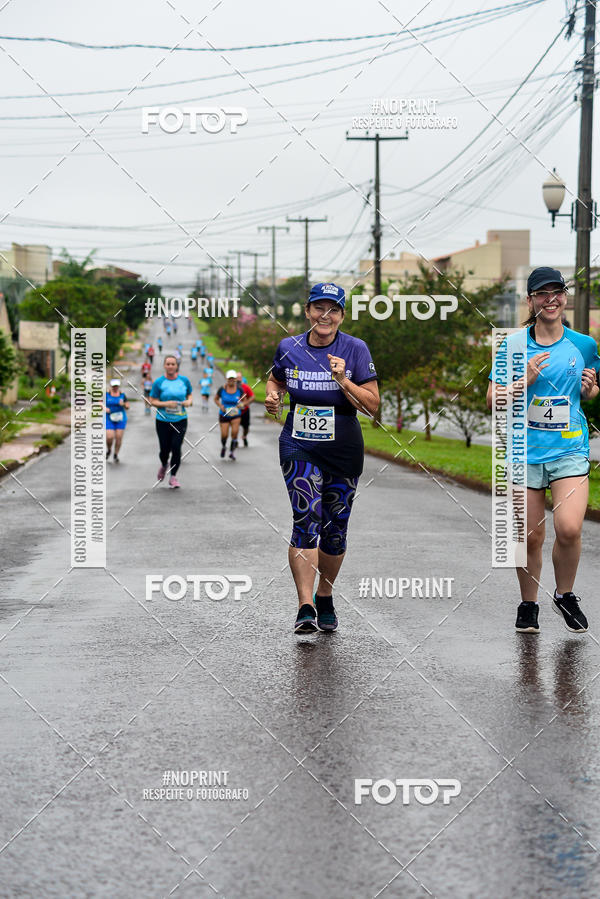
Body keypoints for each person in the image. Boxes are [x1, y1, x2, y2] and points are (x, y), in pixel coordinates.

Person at [487, 267, 600, 635]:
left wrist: (589, 391)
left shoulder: (584, 345)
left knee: (568, 527)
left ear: (565, 297)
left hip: (569, 450)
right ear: (531, 300)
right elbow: (492, 399)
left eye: (557, 292)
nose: (551, 299)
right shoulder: (513, 346)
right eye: (542, 293)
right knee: (530, 535)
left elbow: (590, 392)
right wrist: (525, 381)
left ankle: (565, 595)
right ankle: (528, 603)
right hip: (523, 451)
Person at [265, 282, 379, 634]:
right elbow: (275, 380)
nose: (325, 315)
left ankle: (325, 593)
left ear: (342, 315)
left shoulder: (356, 349)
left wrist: (343, 379)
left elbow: (373, 406)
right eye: (319, 308)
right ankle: (305, 605)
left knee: (335, 529)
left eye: (333, 309)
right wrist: (273, 397)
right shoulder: (289, 346)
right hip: (298, 443)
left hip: (343, 446)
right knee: (306, 516)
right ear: (308, 311)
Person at [150, 354, 193, 488]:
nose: (170, 366)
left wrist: (189, 402)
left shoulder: (184, 381)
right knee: (164, 449)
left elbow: (190, 395)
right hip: (163, 421)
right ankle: (164, 465)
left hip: (180, 420)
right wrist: (166, 404)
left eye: (173, 364)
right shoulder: (159, 382)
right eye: (168, 364)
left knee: (176, 447)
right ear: (164, 366)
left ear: (176, 366)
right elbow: (152, 401)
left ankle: (173, 476)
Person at [215, 369, 246, 460]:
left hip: (235, 414)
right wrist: (220, 406)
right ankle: (224, 446)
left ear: (235, 379)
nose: (231, 380)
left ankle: (232, 452)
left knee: (234, 433)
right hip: (224, 414)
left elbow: (244, 399)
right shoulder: (222, 389)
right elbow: (216, 399)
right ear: (226, 379)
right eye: (229, 379)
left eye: (233, 379)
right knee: (224, 434)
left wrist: (241, 404)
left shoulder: (239, 389)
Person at [105, 378, 130, 462]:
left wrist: (123, 404)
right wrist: (104, 408)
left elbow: (128, 406)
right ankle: (109, 450)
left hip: (120, 419)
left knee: (118, 437)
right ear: (111, 386)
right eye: (113, 386)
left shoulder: (122, 395)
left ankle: (116, 454)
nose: (115, 387)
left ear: (118, 386)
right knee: (109, 437)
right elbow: (99, 402)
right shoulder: (106, 394)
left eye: (116, 386)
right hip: (109, 418)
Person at [236, 372, 255, 447]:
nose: (238, 379)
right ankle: (235, 440)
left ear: (241, 378)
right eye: (236, 377)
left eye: (239, 377)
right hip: (235, 411)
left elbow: (252, 397)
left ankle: (244, 437)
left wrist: (245, 403)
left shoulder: (245, 387)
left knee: (246, 427)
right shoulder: (232, 387)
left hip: (245, 410)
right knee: (235, 426)